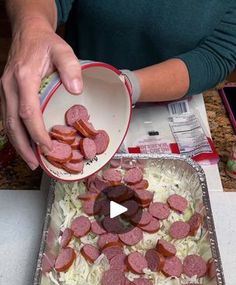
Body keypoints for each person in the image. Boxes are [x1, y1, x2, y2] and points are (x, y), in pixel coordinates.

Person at [1, 0, 236, 170]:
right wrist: (31, 27)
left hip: (172, 106)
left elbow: (217, 53)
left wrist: (124, 86)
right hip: (72, 96)